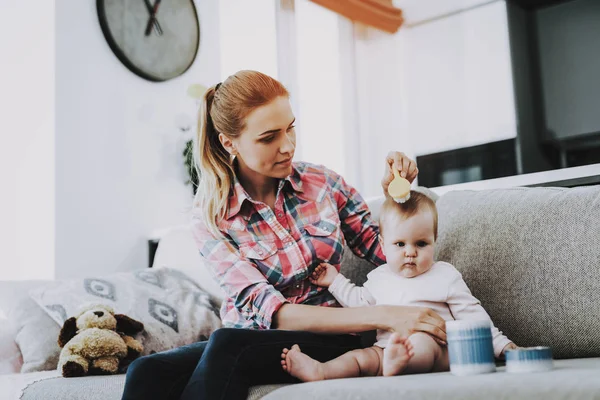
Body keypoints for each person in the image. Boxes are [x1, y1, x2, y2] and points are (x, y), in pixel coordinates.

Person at [121, 70, 447, 400]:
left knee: (227, 345)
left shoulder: (324, 184)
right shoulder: (211, 217)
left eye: (290, 129)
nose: (287, 146)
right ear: (228, 142)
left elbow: (387, 254)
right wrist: (384, 315)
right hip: (251, 336)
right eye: (269, 138)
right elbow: (274, 313)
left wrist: (397, 198)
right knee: (146, 371)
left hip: (326, 337)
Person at [280, 191, 517, 381]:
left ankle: (401, 365)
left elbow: (473, 315)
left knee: (421, 342)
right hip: (385, 349)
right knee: (359, 358)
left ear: (435, 242)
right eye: (400, 244)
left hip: (438, 349)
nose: (411, 252)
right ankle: (322, 371)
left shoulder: (445, 275)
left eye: (421, 243)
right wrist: (334, 281)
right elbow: (359, 304)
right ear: (383, 245)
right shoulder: (378, 278)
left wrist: (503, 346)